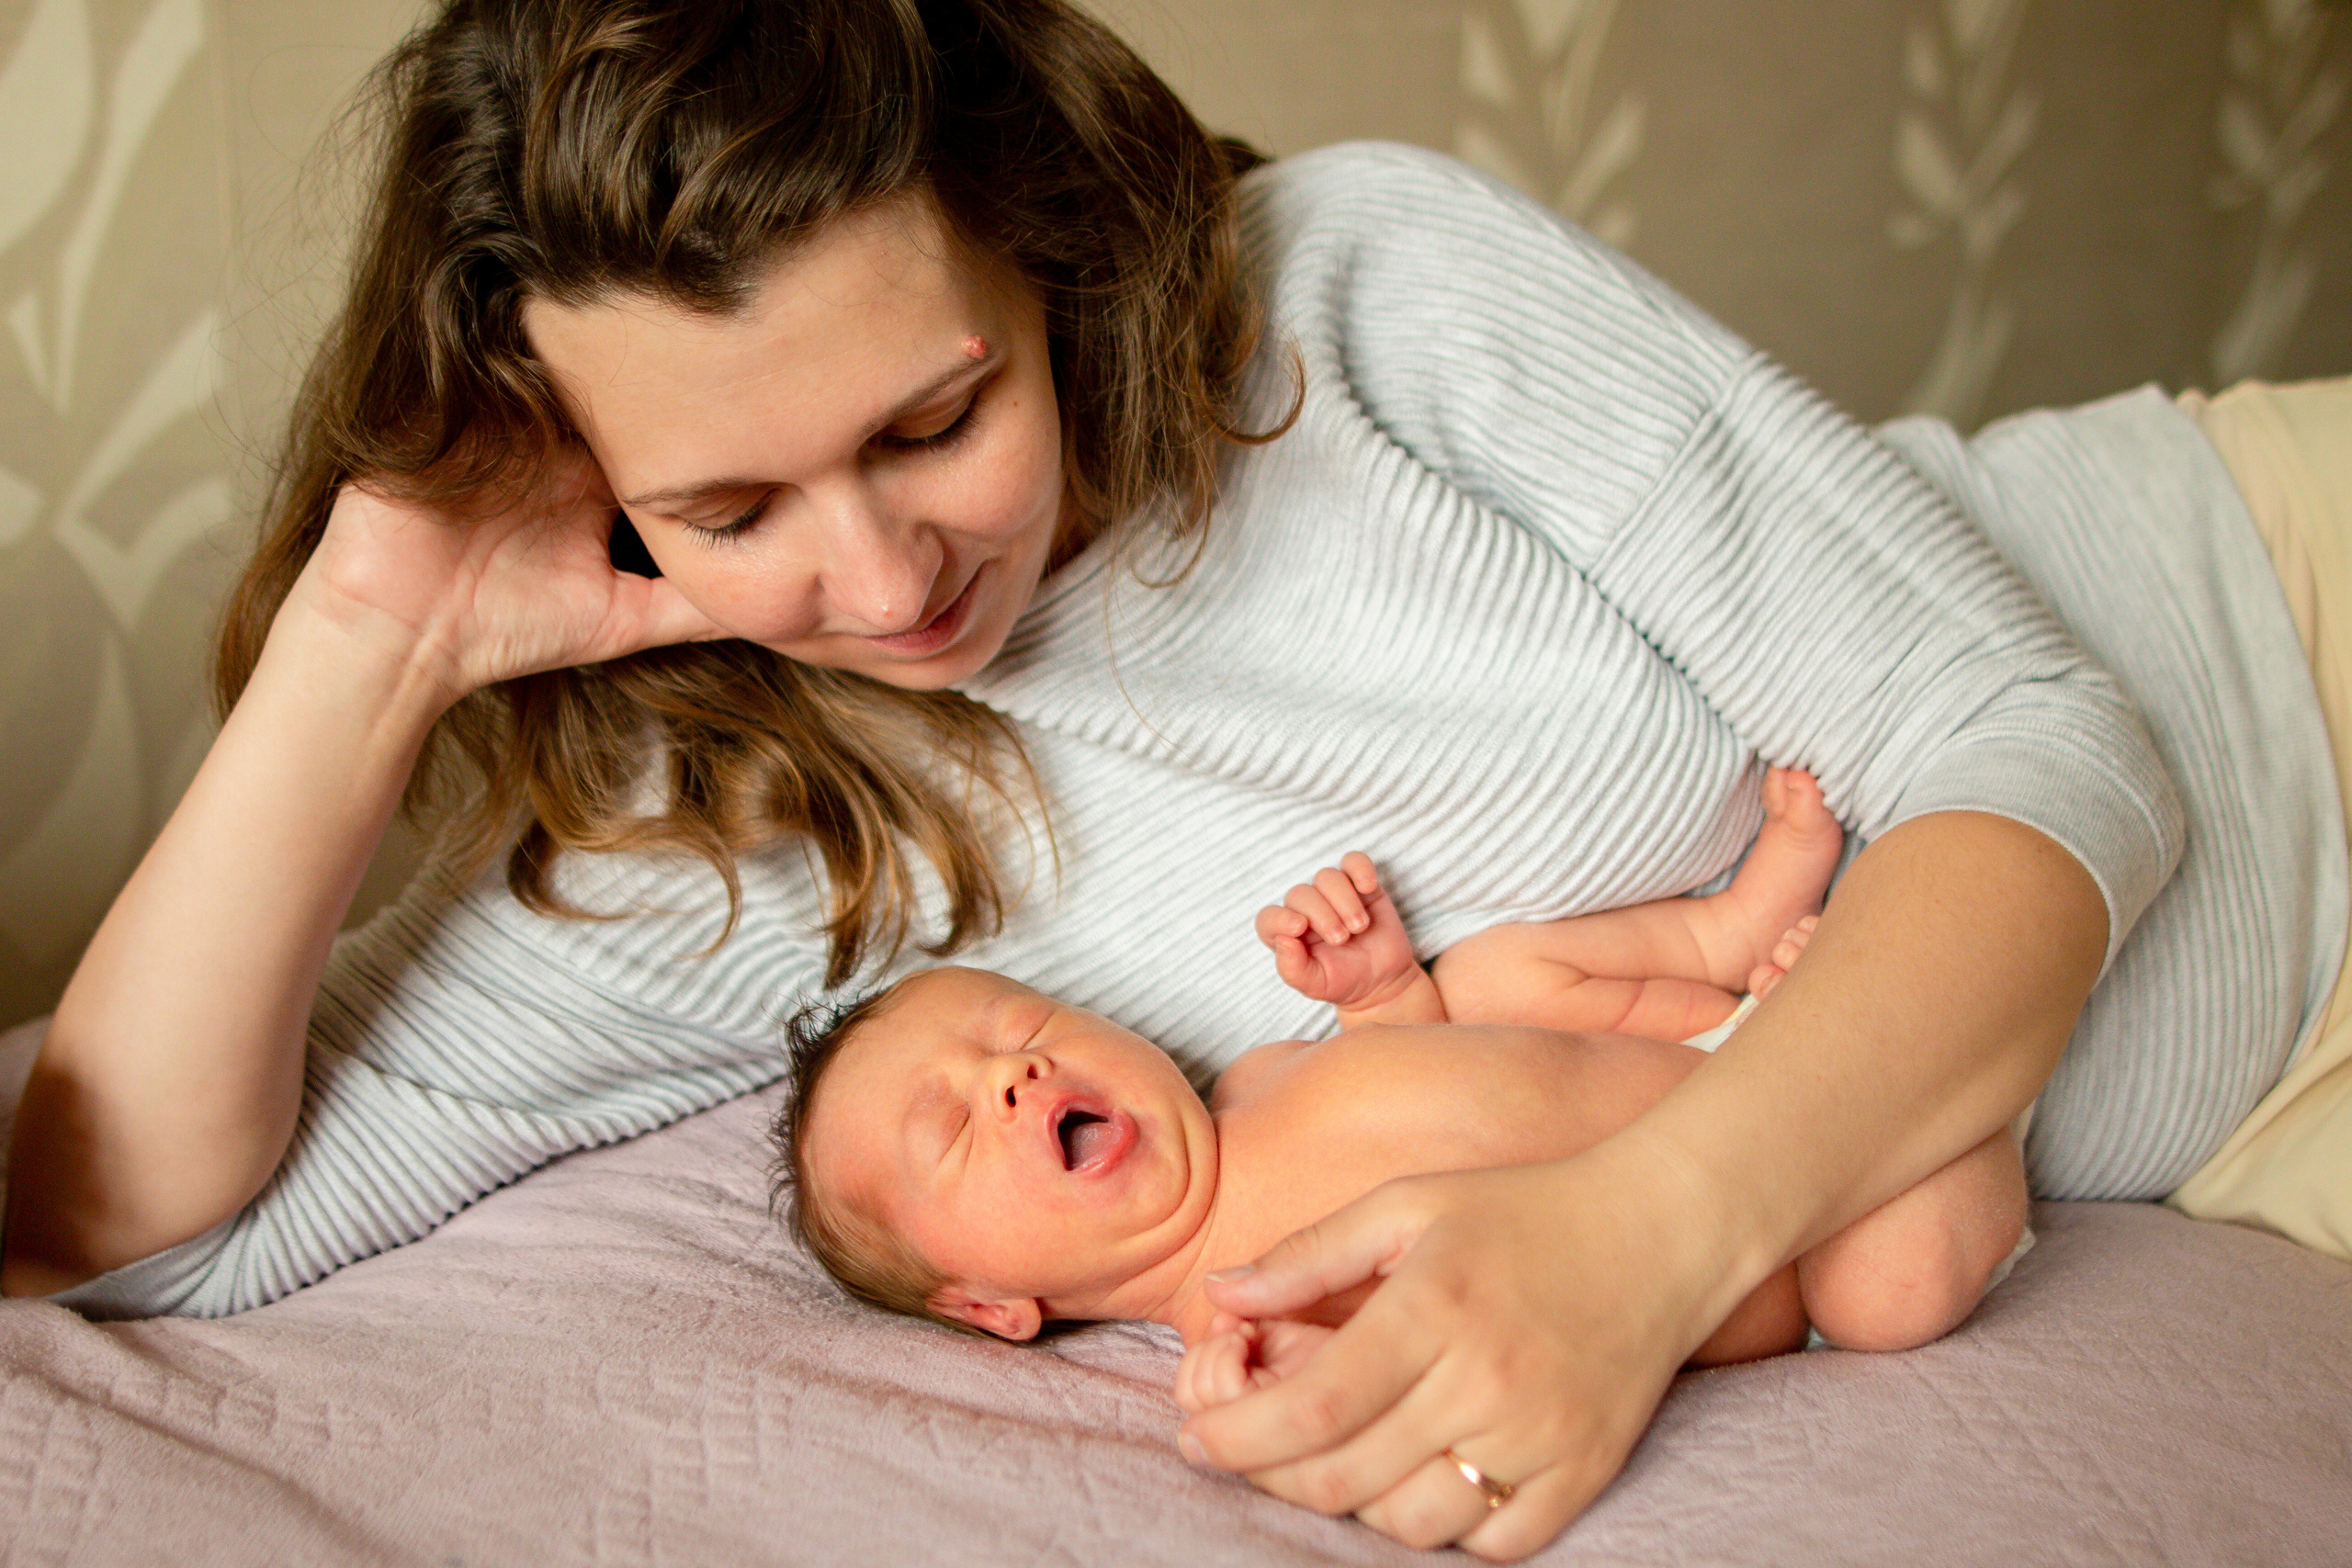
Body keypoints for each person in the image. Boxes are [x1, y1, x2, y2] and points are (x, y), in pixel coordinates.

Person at [2, 0, 2343, 1559]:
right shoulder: (725, 841)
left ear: (1045, 248)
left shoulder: (1347, 301)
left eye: (934, 419)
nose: (884, 572)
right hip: (2252, 1135)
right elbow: (128, 1220)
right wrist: (364, 638)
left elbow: (2046, 753)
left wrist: (1645, 1239)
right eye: (730, 509)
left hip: (2281, 634)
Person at [775, 783, 2030, 1372]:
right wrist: (1255, 1404)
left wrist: (1381, 991)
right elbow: (1356, 1383)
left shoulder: (1266, 1074)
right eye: (953, 1127)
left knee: (1488, 977)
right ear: (991, 1307)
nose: (1014, 1074)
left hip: (1705, 1057)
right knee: (1892, 1300)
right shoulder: (1243, 1313)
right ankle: (1957, 1072)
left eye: (1021, 1023)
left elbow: (1432, 1062)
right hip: (1786, 1249)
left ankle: (1746, 923)